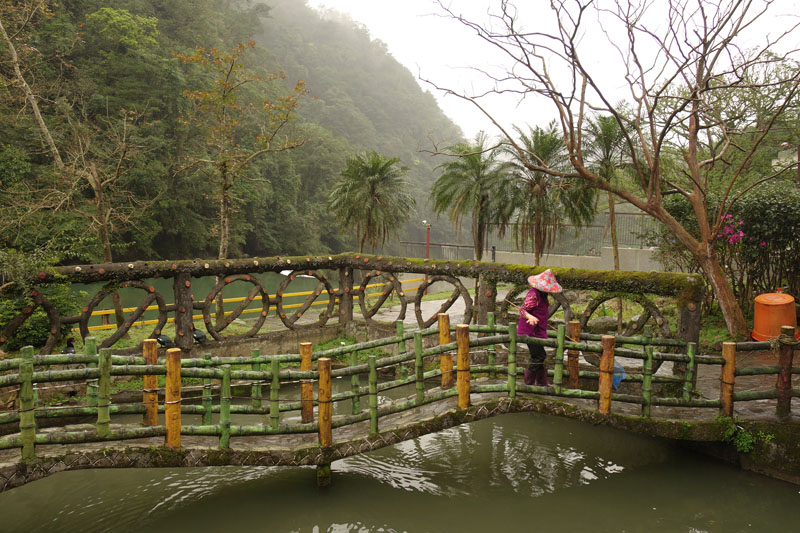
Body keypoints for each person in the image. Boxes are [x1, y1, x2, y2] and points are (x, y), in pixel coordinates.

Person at [517, 269, 562, 386]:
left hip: (537, 330)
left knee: (539, 355)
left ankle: (541, 382)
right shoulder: (533, 294)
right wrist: (530, 317)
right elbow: (522, 310)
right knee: (539, 356)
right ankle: (529, 383)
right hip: (529, 331)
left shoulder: (542, 294)